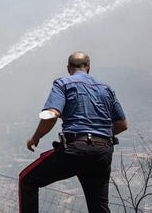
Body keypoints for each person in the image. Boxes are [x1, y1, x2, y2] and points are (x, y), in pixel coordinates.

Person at [19, 51, 128, 213]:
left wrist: (35, 137)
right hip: (103, 152)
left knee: (27, 180)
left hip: (75, 149)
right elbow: (122, 125)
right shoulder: (106, 88)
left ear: (68, 68)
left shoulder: (63, 83)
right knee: (98, 206)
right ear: (88, 68)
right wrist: (100, 135)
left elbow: (52, 114)